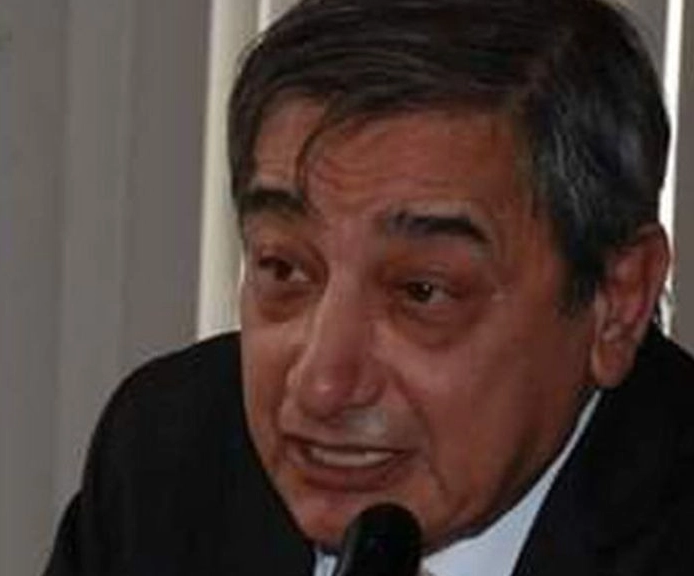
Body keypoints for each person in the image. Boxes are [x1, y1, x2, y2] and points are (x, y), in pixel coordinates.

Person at [44, 0, 694, 574]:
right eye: (284, 269)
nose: (322, 385)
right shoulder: (170, 456)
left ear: (617, 303)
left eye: (421, 292)